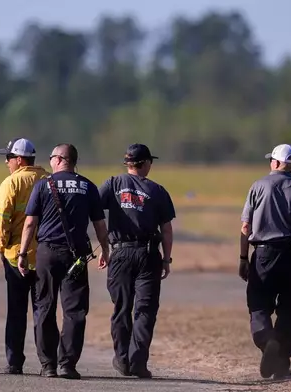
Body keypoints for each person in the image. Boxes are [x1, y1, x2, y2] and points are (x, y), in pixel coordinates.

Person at [17, 143, 110, 379]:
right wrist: (106, 250)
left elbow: (30, 223)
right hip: (76, 254)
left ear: (59, 159)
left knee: (44, 308)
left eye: (51, 158)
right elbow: (99, 225)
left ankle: (48, 365)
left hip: (47, 253)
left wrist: (23, 253)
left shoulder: (43, 185)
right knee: (75, 310)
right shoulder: (88, 186)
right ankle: (67, 364)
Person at [239, 144, 291, 380]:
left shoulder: (258, 186)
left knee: (259, 304)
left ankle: (266, 340)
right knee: (288, 309)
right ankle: (282, 365)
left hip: (263, 254)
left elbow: (245, 226)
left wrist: (243, 258)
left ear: (274, 163)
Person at [97, 144, 176, 379]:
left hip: (120, 252)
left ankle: (122, 359)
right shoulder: (157, 190)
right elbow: (167, 229)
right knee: (145, 310)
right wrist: (167, 259)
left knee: (121, 307)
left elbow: (95, 213)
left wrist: (103, 247)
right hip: (149, 254)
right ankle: (138, 362)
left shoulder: (111, 184)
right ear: (144, 164)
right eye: (150, 161)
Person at [0, 138, 49, 374]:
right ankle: (48, 363)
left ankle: (15, 362)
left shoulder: (11, 182)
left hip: (16, 257)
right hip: (45, 256)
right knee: (44, 310)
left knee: (16, 311)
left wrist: (2, 247)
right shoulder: (47, 180)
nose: (6, 163)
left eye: (8, 158)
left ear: (19, 159)